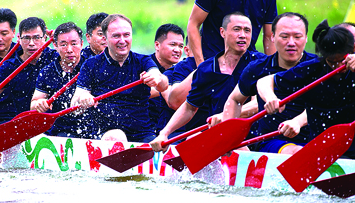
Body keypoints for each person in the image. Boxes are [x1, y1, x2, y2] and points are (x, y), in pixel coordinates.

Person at [150, 13, 266, 151]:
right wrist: (165, 133)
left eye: (247, 30)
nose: (242, 35)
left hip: (252, 138)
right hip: (219, 136)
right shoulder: (207, 69)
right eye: (237, 29)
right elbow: (189, 107)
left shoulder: (259, 63)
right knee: (193, 139)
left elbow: (258, 104)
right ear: (222, 32)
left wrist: (226, 116)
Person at [220, 13, 317, 154]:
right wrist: (227, 136)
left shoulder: (319, 67)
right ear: (272, 37)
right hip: (271, 143)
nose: (291, 42)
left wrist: (298, 122)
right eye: (284, 37)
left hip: (315, 140)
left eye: (297, 37)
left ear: (306, 38)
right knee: (297, 152)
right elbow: (235, 100)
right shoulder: (257, 68)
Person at [257, 20, 355, 158]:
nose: (337, 67)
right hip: (322, 148)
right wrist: (271, 97)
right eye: (332, 62)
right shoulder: (312, 69)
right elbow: (265, 81)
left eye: (342, 61)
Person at [71, 14, 169, 143]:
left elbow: (163, 85)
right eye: (116, 36)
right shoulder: (91, 65)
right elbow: (76, 101)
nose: (122, 40)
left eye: (126, 35)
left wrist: (157, 78)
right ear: (105, 39)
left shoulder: (143, 61)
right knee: (117, 136)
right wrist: (83, 98)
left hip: (142, 133)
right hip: (104, 135)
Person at [0, 17, 58, 128]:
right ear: (19, 38)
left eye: (36, 38)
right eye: (26, 38)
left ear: (44, 38)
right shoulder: (10, 66)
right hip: (22, 124)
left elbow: (78, 60)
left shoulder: (56, 58)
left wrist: (60, 41)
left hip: (52, 122)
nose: (31, 43)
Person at [31, 22, 96, 138]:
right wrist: (39, 104)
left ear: (81, 44)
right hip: (61, 132)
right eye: (64, 45)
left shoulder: (92, 66)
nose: (69, 50)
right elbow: (34, 104)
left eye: (74, 44)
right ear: (55, 46)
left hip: (93, 130)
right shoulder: (47, 72)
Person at [148, 24, 184, 128]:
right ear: (157, 45)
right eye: (172, 44)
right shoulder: (142, 64)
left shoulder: (180, 70)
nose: (177, 50)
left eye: (180, 46)